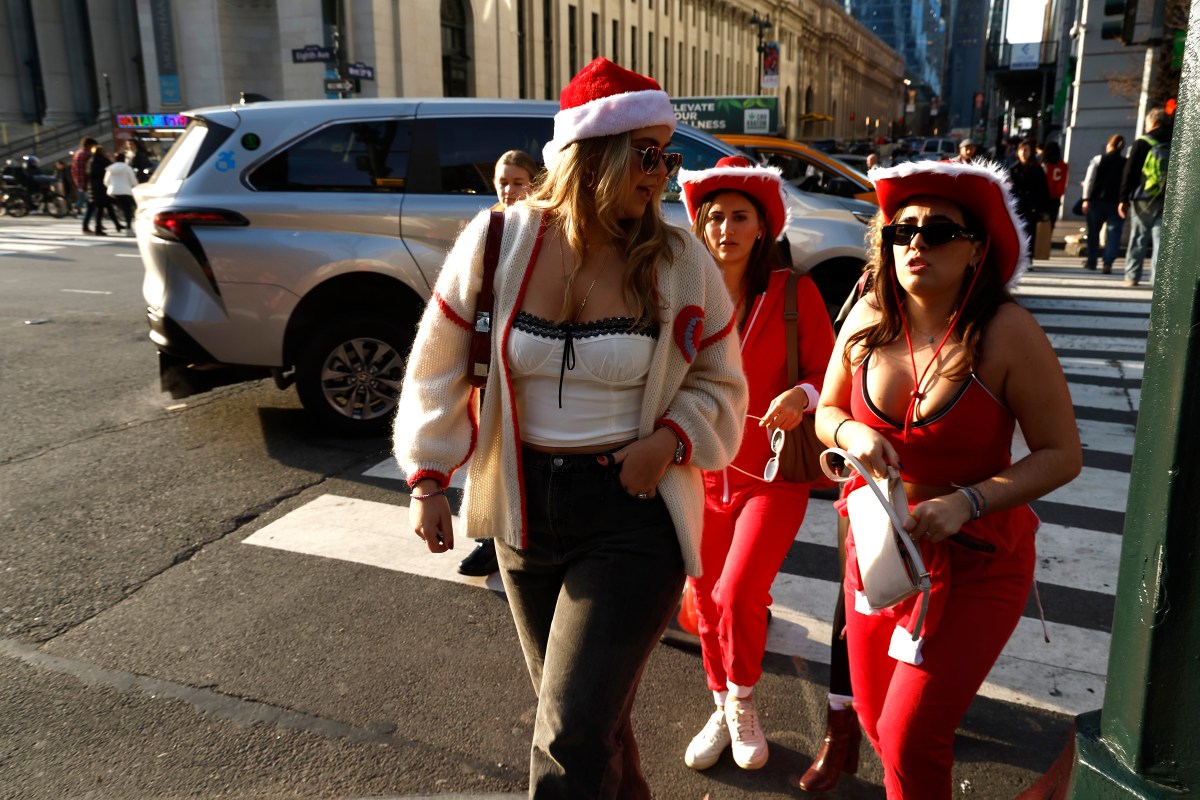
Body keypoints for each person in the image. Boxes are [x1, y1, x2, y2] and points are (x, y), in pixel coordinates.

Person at [393, 57, 747, 799]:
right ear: (596, 152)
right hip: (522, 510)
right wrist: (429, 477)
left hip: (633, 514)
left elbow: (722, 382)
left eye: (668, 156)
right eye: (647, 154)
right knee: (593, 724)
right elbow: (437, 364)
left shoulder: (680, 260)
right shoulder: (498, 239)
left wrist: (669, 442)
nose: (663, 173)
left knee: (569, 733)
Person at [815, 159, 1081, 799]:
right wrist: (851, 433)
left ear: (976, 250)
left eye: (938, 232)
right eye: (901, 232)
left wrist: (969, 501)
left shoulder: (1007, 333)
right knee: (878, 726)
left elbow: (1062, 453)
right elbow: (826, 410)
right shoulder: (867, 316)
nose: (916, 243)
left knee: (910, 739)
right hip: (880, 553)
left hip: (977, 563)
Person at [676, 156, 835, 771]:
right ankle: (722, 703)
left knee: (739, 591)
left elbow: (829, 373)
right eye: (714, 217)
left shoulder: (796, 292)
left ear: (763, 225)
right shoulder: (683, 292)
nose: (726, 229)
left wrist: (803, 396)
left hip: (771, 473)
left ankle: (742, 703)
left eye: (740, 216)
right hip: (697, 470)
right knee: (704, 597)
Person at [458, 148, 544, 578]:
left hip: (529, 355)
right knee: (489, 444)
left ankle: (515, 534)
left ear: (536, 183)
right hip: (490, 350)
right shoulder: (489, 225)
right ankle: (489, 539)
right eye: (502, 182)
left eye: (518, 182)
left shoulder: (546, 227)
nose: (509, 190)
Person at [1119, 107, 1172, 287]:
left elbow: (1130, 172)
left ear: (1153, 122)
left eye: (1146, 123)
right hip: (1166, 196)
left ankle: (1132, 276)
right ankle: (1157, 280)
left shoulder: (1143, 142)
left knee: (1138, 237)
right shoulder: (1175, 141)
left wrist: (1123, 198)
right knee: (1160, 239)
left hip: (1143, 197)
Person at [1080, 134, 1127, 273]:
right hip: (1116, 203)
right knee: (1113, 234)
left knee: (1093, 233)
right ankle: (1108, 262)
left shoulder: (1098, 159)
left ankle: (1092, 261)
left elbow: (1089, 180)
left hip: (1097, 202)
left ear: (1109, 145)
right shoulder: (1125, 162)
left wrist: (1085, 199)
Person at [1007, 138, 1049, 260]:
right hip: (1017, 205)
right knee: (1016, 232)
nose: (1023, 152)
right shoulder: (1013, 168)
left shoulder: (1037, 169)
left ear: (1031, 152)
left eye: (1026, 150)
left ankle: (1027, 258)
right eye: (1021, 150)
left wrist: (1040, 208)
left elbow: (1043, 190)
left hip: (1031, 205)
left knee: (1029, 231)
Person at [84, 144, 123, 236]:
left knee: (105, 207)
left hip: (94, 187)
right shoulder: (103, 161)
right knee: (102, 208)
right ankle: (99, 228)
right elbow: (109, 171)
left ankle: (116, 224)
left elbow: (90, 174)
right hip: (103, 187)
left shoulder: (91, 161)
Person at [105, 152, 139, 235]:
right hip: (125, 191)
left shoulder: (110, 168)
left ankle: (117, 224)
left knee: (113, 208)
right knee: (128, 210)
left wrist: (111, 186)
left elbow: (106, 181)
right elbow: (133, 181)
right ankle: (128, 228)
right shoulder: (127, 168)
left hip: (113, 192)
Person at [1041, 141, 1068, 236]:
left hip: (1044, 197)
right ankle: (1048, 238)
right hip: (1056, 197)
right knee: (1051, 222)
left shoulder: (1044, 165)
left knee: (1041, 221)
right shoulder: (1063, 165)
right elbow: (1064, 182)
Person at [72, 137, 96, 218]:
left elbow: (73, 168)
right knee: (88, 199)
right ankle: (86, 215)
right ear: (89, 145)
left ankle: (79, 212)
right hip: (86, 180)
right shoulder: (87, 154)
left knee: (82, 197)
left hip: (78, 179)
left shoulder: (77, 153)